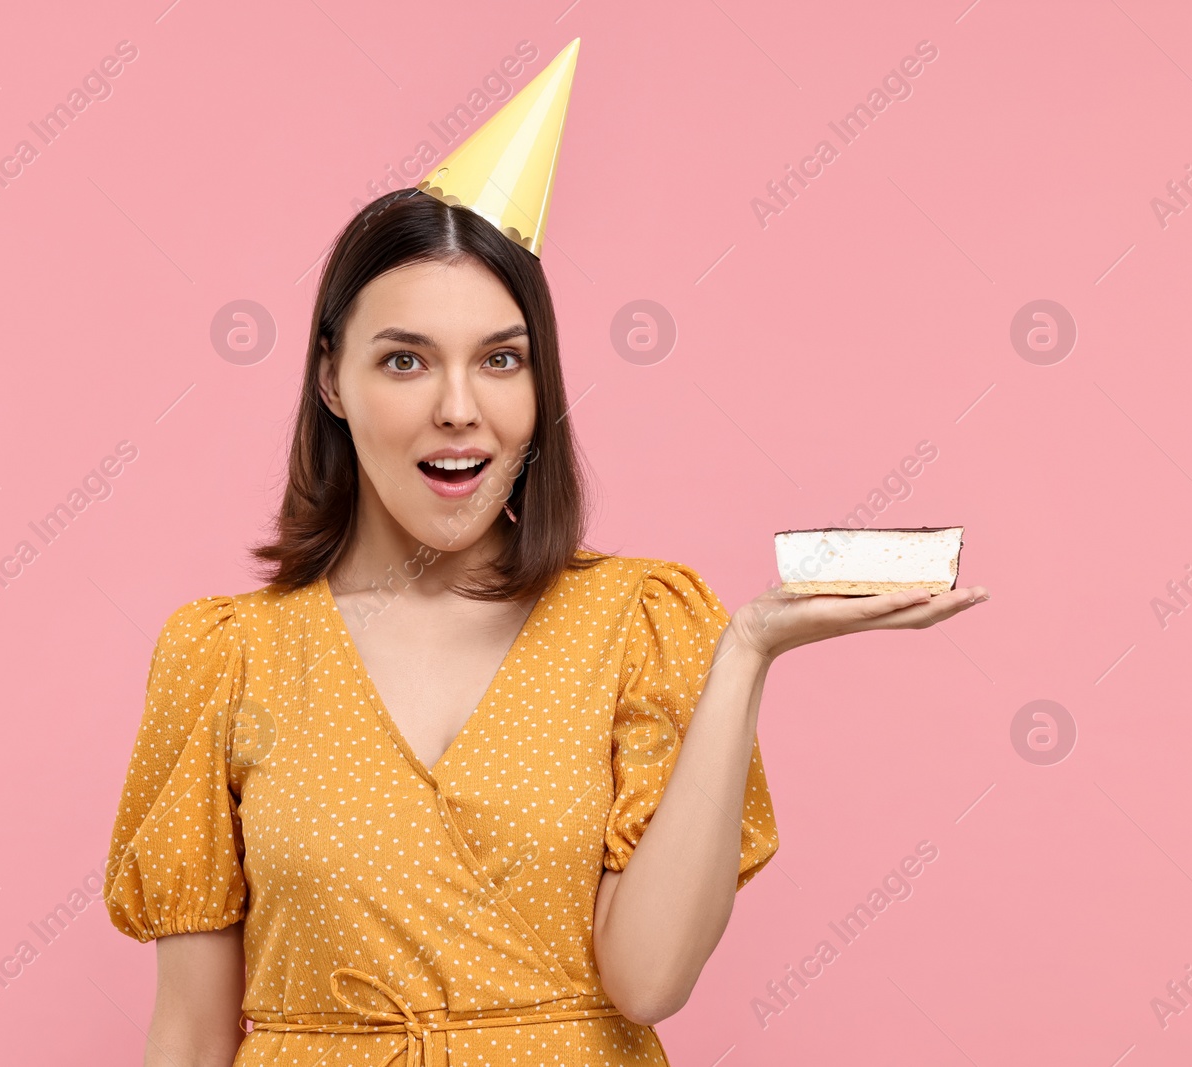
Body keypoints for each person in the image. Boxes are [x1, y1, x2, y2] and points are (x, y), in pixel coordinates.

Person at [102, 40, 988, 1067]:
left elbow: (649, 978)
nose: (457, 410)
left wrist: (744, 653)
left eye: (499, 359)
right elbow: (191, 1033)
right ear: (332, 381)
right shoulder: (223, 656)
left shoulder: (637, 624)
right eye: (404, 360)